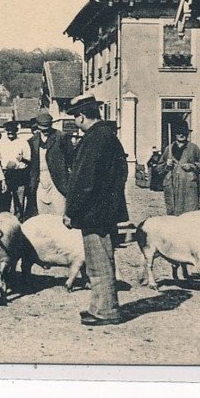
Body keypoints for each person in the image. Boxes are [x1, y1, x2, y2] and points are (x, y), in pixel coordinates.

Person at [64, 94, 129, 326]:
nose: (74, 121)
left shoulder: (94, 139)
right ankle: (100, 305)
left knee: (99, 260)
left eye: (74, 117)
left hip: (94, 212)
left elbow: (84, 180)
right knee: (101, 257)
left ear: (82, 116)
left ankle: (106, 311)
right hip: (104, 209)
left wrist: (72, 210)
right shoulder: (108, 136)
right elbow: (121, 174)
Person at [28, 111, 73, 217]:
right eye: (43, 127)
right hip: (40, 181)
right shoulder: (32, 141)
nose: (46, 130)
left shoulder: (61, 137)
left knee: (59, 212)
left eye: (48, 127)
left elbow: (71, 159)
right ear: (38, 126)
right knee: (43, 215)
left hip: (58, 181)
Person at [158, 120, 200, 215]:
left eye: (184, 132)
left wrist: (192, 166)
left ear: (187, 134)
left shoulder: (193, 148)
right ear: (175, 134)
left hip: (188, 189)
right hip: (172, 188)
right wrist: (166, 165)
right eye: (178, 132)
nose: (181, 135)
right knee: (173, 216)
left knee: (190, 216)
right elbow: (159, 168)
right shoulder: (169, 149)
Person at [0, 120, 31, 219]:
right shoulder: (0, 143)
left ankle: (18, 219)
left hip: (19, 174)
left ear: (16, 131)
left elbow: (29, 159)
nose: (10, 133)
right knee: (4, 199)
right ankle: (5, 219)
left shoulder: (23, 142)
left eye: (12, 131)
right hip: (5, 174)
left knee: (19, 201)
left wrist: (22, 159)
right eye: (8, 131)